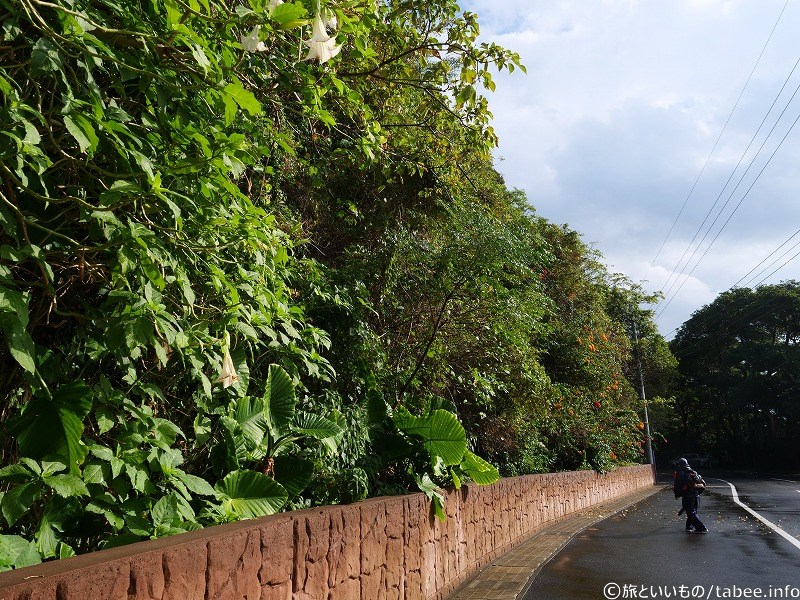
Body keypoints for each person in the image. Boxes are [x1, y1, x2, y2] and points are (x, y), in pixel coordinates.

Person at [673, 457, 708, 533]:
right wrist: (698, 493)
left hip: (687, 495)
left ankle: (701, 528)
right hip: (696, 495)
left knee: (690, 512)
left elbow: (677, 485)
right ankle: (689, 527)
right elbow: (703, 483)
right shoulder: (694, 472)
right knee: (693, 512)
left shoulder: (679, 473)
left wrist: (677, 494)